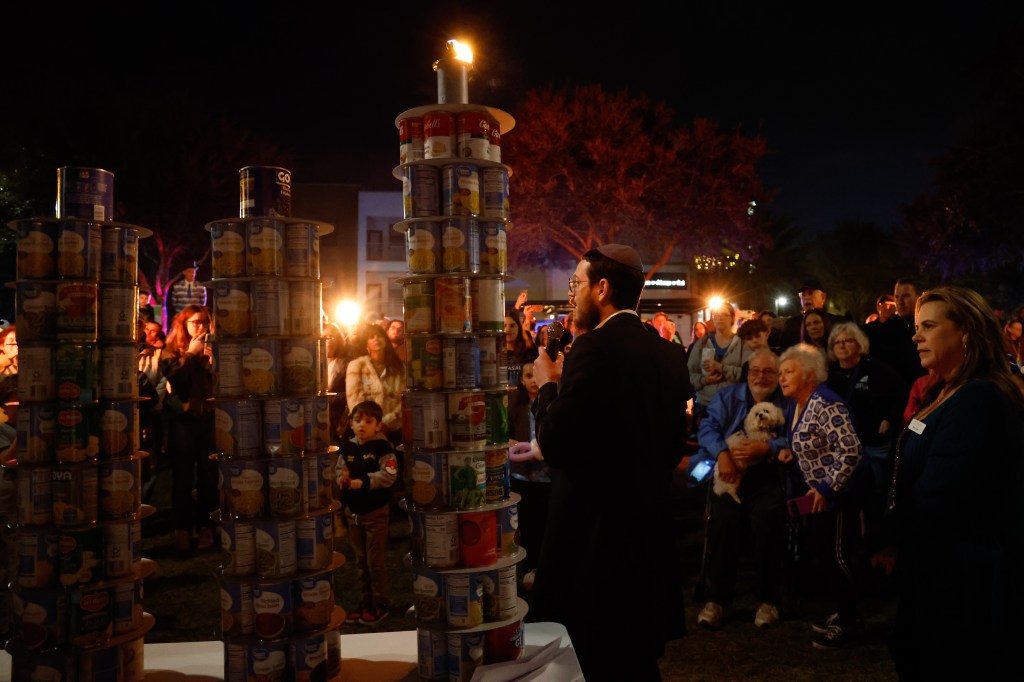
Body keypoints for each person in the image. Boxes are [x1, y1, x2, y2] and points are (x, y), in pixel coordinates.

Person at [529, 244, 692, 681]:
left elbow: (556, 442)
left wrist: (548, 387)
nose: (571, 295)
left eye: (576, 284)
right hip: (650, 536)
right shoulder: (668, 353)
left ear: (602, 289)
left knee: (594, 662)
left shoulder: (594, 349)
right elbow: (676, 443)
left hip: (596, 544)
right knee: (638, 663)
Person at [869, 285, 1024, 680]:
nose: (916, 336)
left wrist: (882, 534)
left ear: (966, 332)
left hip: (962, 581)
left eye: (929, 326)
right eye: (917, 326)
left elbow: (940, 494)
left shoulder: (980, 399)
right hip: (933, 569)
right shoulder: (943, 389)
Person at [693, 348, 796, 630]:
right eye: (755, 371)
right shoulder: (728, 396)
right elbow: (707, 428)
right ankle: (717, 600)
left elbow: (797, 438)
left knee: (767, 518)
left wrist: (768, 447)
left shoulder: (787, 401)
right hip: (730, 473)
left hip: (770, 474)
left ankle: (767, 600)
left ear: (777, 375)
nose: (760, 377)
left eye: (768, 372)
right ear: (747, 373)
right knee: (724, 521)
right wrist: (723, 453)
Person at [777, 343, 869, 650]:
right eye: (780, 372)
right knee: (823, 553)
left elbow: (851, 449)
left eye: (788, 371)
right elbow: (813, 442)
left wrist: (828, 487)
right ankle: (844, 611)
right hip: (818, 497)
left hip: (839, 495)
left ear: (809, 374)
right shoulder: (799, 404)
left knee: (838, 556)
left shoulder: (827, 403)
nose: (782, 377)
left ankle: (850, 621)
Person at [824, 322, 907, 527]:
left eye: (848, 341)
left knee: (875, 493)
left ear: (859, 343)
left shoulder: (878, 370)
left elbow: (899, 396)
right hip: (841, 450)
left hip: (872, 445)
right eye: (838, 342)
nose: (842, 345)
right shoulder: (829, 376)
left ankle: (876, 540)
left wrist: (890, 419)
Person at [159, 304, 217, 553]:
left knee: (209, 476)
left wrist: (213, 362)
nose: (200, 326)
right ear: (184, 324)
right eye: (195, 322)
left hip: (208, 418)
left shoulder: (214, 348)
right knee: (182, 477)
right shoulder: (171, 351)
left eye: (204, 321)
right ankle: (182, 530)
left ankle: (206, 528)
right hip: (183, 421)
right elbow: (174, 379)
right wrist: (191, 355)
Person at [336, 400, 399, 627]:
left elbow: (389, 475)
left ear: (378, 425)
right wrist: (341, 479)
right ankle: (365, 603)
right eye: (358, 420)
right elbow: (339, 469)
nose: (362, 425)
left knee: (375, 561)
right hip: (354, 513)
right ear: (351, 424)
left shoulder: (383, 448)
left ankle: (380, 604)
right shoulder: (348, 448)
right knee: (360, 561)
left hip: (375, 511)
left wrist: (362, 482)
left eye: (368, 421)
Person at [507, 348, 545, 589]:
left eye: (535, 375)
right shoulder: (515, 405)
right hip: (521, 475)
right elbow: (506, 435)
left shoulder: (553, 404)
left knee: (544, 524)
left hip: (546, 477)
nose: (532, 380)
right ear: (521, 380)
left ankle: (542, 568)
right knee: (525, 526)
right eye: (527, 376)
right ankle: (528, 569)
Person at [345, 323, 405, 449]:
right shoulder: (357, 366)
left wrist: (386, 422)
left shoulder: (397, 367)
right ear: (366, 344)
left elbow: (403, 399)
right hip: (365, 430)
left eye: (379, 336)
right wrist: (370, 424)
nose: (376, 339)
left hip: (392, 428)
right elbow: (354, 399)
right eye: (371, 337)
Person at [688, 303, 741, 430]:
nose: (719, 318)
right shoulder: (702, 343)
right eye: (716, 315)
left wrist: (721, 368)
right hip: (706, 405)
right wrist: (705, 380)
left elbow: (746, 374)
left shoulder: (741, 344)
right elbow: (689, 374)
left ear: (732, 318)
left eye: (724, 315)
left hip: (733, 405)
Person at [868, 278, 927, 393]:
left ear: (919, 297)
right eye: (897, 297)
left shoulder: (927, 325)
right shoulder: (889, 327)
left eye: (906, 296)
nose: (900, 301)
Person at [778, 280, 844, 350]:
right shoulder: (791, 325)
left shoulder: (838, 323)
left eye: (810, 293)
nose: (806, 298)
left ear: (823, 297)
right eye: (803, 295)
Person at [325, 323, 352, 442]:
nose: (328, 340)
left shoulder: (347, 364)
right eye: (325, 336)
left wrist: (328, 399)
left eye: (332, 336)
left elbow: (350, 393)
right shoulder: (313, 363)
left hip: (336, 421)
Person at [504, 312, 537, 386]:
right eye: (504, 326)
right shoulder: (497, 352)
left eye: (512, 326)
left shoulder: (529, 352)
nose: (508, 329)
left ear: (518, 328)